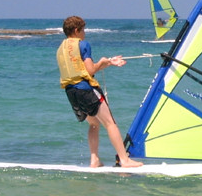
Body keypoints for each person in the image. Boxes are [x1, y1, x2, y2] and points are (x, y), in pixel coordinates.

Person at [56, 16, 142, 168]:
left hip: (71, 92)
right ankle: (125, 160)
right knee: (110, 123)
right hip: (86, 90)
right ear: (76, 30)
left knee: (94, 124)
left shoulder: (61, 48)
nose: (84, 33)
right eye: (83, 30)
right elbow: (91, 70)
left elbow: (82, 70)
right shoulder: (83, 45)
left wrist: (108, 63)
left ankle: (94, 159)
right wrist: (102, 62)